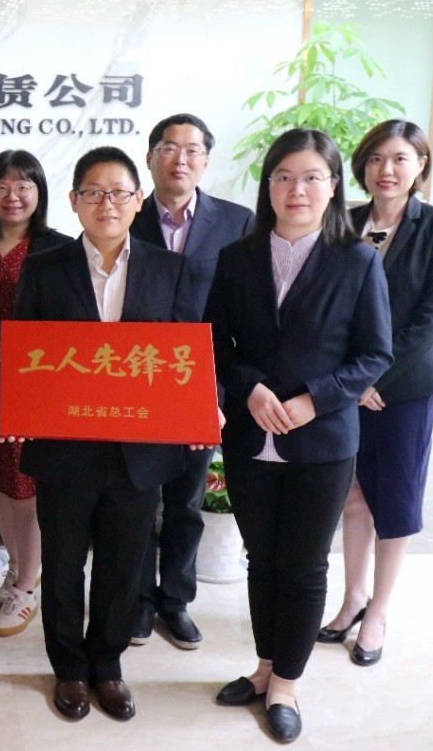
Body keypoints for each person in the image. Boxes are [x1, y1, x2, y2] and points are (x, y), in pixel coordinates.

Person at [207, 128, 392, 743]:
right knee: (261, 558)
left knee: (305, 564)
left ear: (333, 186)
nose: (297, 189)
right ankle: (264, 667)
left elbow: (374, 354)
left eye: (312, 177)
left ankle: (286, 682)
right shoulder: (237, 257)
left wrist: (314, 400)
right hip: (251, 435)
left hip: (322, 441)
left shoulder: (357, 260)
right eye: (284, 177)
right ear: (268, 186)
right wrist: (250, 389)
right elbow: (216, 342)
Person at [9, 145, 198, 723]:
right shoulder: (44, 268)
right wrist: (16, 406)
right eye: (93, 193)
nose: (106, 204)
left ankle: (108, 665)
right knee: (63, 564)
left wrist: (198, 411)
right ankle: (69, 666)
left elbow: (185, 357)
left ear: (139, 200)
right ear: (73, 201)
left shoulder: (170, 269)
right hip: (64, 450)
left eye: (118, 193)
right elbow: (25, 351)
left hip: (139, 452)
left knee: (123, 564)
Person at [317, 120, 433, 666]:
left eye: (400, 159)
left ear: (420, 165)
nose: (387, 170)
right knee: (352, 494)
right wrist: (352, 381)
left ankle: (378, 611)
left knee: (395, 499)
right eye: (376, 159)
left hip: (403, 387)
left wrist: (376, 378)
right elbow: (330, 307)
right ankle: (353, 598)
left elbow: (430, 316)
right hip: (349, 387)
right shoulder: (344, 222)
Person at [128, 113, 254, 649]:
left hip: (202, 383)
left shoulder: (237, 222)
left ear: (205, 161)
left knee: (185, 500)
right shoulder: (124, 213)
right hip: (135, 380)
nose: (180, 159)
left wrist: (233, 386)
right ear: (151, 156)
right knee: (137, 499)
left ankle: (175, 601)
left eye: (192, 150)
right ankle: (136, 602)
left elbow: (247, 307)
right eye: (169, 147)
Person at [0, 150, 71, 637]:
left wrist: (13, 341)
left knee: (27, 482)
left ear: (40, 192)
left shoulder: (59, 249)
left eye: (24, 185)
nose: (12, 196)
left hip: (33, 380)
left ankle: (27, 584)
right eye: (1, 186)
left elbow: (68, 319)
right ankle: (19, 568)